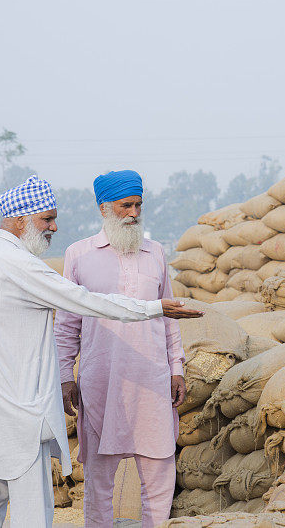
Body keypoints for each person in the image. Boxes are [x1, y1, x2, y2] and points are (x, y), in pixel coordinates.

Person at [0, 175, 202, 528]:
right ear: (21, 219)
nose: (54, 227)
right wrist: (153, 308)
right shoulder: (26, 263)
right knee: (33, 511)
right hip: (24, 409)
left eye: (137, 205)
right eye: (47, 219)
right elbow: (79, 305)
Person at [54, 170, 186, 528]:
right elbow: (67, 325)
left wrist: (177, 368)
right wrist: (66, 376)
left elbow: (168, 317)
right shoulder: (79, 255)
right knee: (99, 486)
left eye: (138, 205)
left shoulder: (156, 252)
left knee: (159, 480)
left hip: (152, 382)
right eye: (125, 205)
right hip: (101, 383)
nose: (133, 213)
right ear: (104, 208)